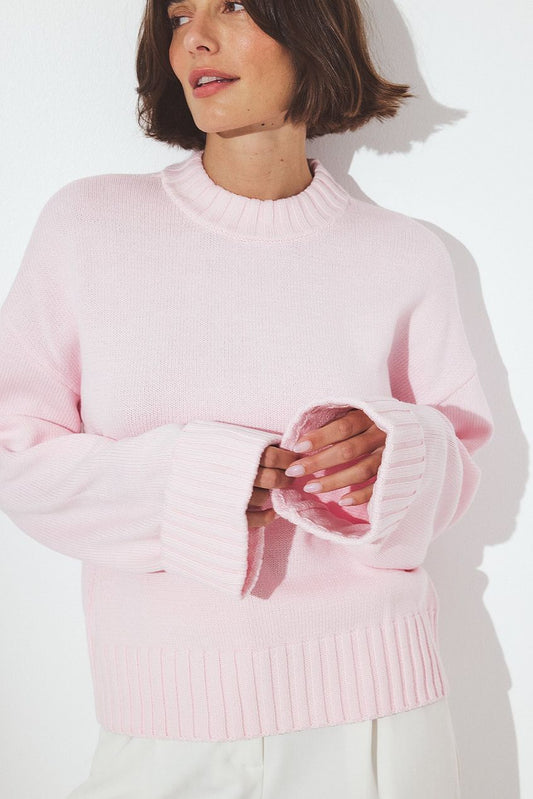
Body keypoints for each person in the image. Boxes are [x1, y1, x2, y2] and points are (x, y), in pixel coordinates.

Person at [0, 0, 494, 796]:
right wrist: (198, 480)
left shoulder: (404, 254)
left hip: (376, 714)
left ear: (310, 26)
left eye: (231, 5)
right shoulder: (89, 224)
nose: (194, 38)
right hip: (166, 721)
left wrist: (394, 454)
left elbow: (459, 459)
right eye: (177, 16)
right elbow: (15, 454)